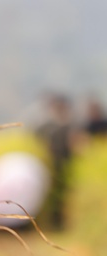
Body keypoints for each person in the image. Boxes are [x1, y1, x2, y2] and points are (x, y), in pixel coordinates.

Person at [34, 92, 81, 232]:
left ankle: (62, 224)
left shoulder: (71, 125)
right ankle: (54, 224)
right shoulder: (48, 125)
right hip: (53, 165)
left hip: (67, 165)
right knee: (54, 198)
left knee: (66, 197)